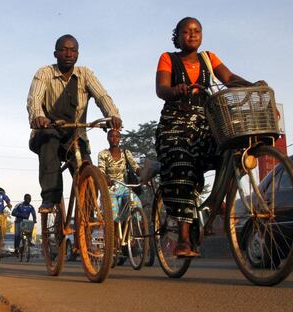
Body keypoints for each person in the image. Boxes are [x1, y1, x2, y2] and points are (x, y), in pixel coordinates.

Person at [155, 17, 266, 257]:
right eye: (187, 31)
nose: (192, 35)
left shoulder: (209, 58)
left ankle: (218, 203)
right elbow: (161, 88)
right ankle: (183, 239)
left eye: (197, 31)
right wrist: (175, 90)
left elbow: (229, 79)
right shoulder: (168, 58)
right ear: (178, 36)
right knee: (183, 165)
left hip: (206, 124)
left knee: (232, 151)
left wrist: (252, 85)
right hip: (175, 125)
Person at [27, 34, 122, 213]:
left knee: (89, 173)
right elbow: (34, 99)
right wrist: (38, 116)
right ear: (55, 53)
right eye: (64, 50)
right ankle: (50, 198)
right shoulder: (45, 73)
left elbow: (102, 96)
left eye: (73, 50)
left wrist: (112, 115)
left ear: (78, 53)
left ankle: (87, 212)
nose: (68, 54)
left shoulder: (85, 74)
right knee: (49, 140)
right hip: (49, 130)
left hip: (75, 135)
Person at [98, 129, 142, 222]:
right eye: (111, 136)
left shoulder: (126, 153)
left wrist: (144, 176)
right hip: (109, 188)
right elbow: (101, 170)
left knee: (136, 203)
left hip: (123, 187)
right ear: (107, 138)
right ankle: (113, 233)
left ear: (120, 139)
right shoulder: (103, 154)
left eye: (117, 136)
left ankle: (140, 227)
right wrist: (106, 178)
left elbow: (135, 167)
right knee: (113, 213)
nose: (114, 139)